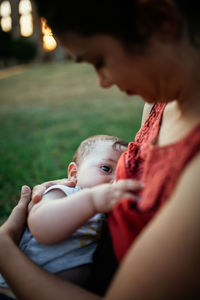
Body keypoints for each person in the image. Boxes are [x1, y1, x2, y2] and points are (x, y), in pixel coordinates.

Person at [0, 0, 200, 299]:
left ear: (161, 19)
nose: (104, 81)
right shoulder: (159, 102)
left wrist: (4, 250)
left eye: (99, 60)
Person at [0, 134, 134, 298]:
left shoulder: (102, 211)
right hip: (11, 289)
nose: (115, 181)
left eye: (123, 175)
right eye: (106, 168)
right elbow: (42, 227)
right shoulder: (64, 193)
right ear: (73, 174)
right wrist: (91, 200)